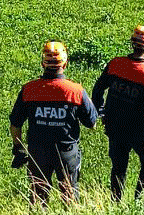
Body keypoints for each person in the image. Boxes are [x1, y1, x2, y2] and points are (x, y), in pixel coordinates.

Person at [10, 41, 99, 206]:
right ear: (65, 63)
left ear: (42, 63)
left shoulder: (29, 90)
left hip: (38, 152)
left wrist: (18, 147)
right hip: (67, 152)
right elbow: (92, 124)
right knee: (70, 195)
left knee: (38, 195)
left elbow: (15, 124)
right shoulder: (76, 91)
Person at [92, 26, 144, 201]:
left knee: (119, 166)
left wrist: (101, 112)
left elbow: (97, 90)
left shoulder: (115, 64)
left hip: (115, 124)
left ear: (132, 44)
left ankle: (115, 201)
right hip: (140, 127)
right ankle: (141, 202)